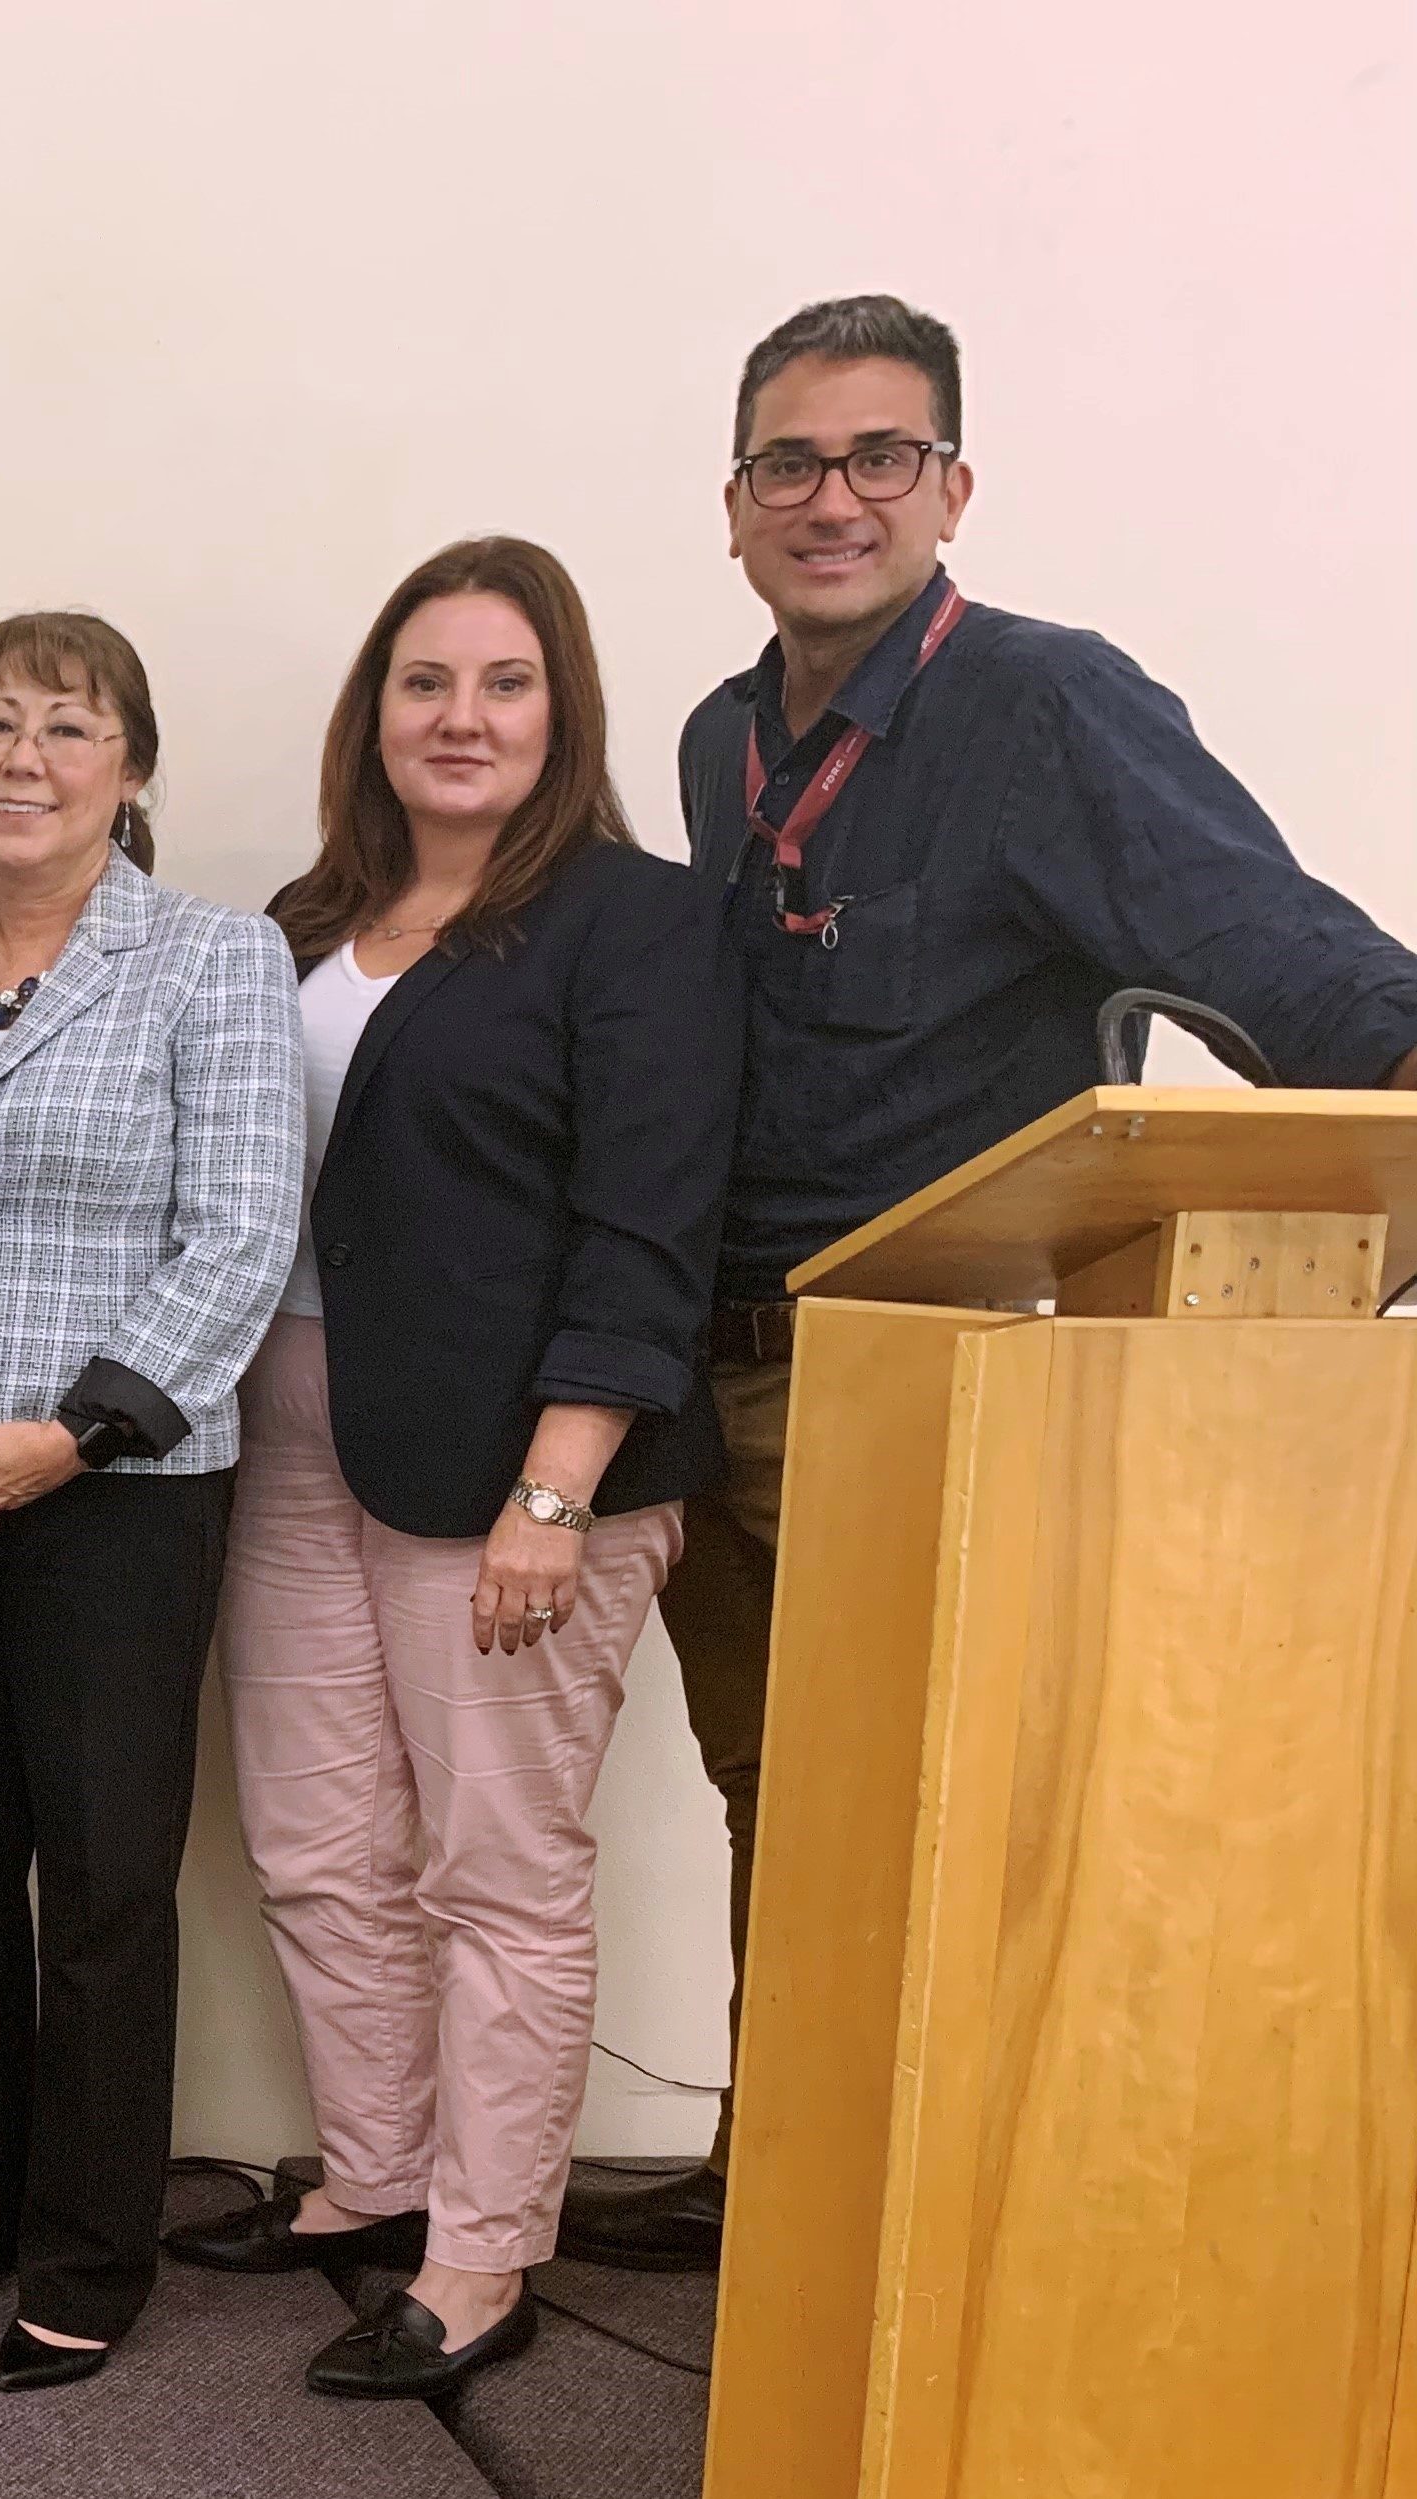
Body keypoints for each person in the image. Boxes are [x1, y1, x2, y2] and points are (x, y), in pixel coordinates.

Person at [564, 294, 1417, 2274]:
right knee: (778, 1793)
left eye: (882, 457)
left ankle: (940, 2241)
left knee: (934, 1805)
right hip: (717, 1367)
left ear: (953, 488)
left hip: (927, 1376)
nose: (833, 498)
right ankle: (783, 2181)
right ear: (733, 504)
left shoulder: (1051, 708)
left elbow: (1292, 962)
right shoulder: (720, 738)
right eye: (791, 462)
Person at [164, 538, 738, 2402]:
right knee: (319, 1845)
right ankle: (378, 2180)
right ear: (376, 713)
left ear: (563, 710)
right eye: (427, 682)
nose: (462, 717)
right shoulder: (301, 919)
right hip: (290, 1429)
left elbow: (647, 1221)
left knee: (496, 1869)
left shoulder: (633, 922)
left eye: (505, 682)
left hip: (519, 1459)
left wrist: (558, 1491)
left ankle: (485, 2255)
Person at [0, 613, 301, 2387]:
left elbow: (240, 1234)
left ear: (131, 767)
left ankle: (92, 2247)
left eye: (69, 727)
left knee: (100, 1882)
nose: (25, 759)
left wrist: (76, 1433)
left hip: (121, 1492)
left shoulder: (215, 962)